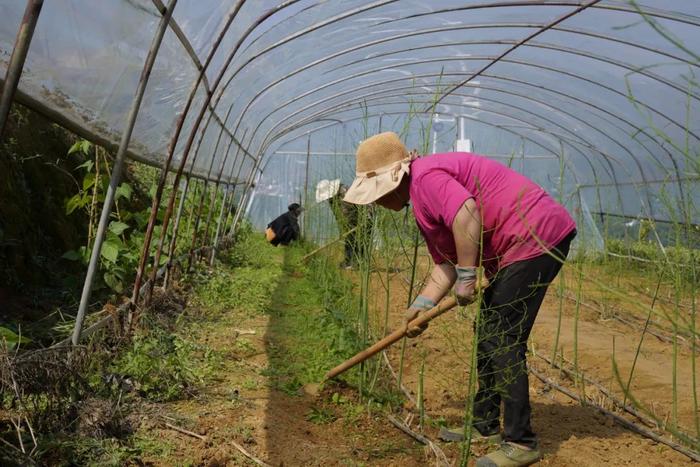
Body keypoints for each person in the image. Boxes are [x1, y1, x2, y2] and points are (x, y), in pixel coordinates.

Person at [343, 132, 576, 467]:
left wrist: (469, 275)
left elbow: (466, 212)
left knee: (502, 337)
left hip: (534, 236)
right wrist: (420, 306)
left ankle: (522, 442)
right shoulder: (422, 201)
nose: (377, 202)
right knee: (488, 334)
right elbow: (444, 265)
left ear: (393, 180)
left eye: (376, 194)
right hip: (517, 245)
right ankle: (484, 425)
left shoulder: (426, 178)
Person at [329, 184, 361, 269]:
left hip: (356, 220)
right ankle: (348, 262)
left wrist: (349, 226)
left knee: (355, 242)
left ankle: (356, 263)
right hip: (350, 222)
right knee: (349, 242)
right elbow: (338, 216)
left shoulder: (345, 192)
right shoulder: (333, 198)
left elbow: (348, 212)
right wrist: (342, 230)